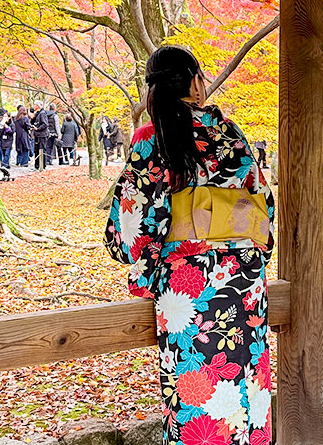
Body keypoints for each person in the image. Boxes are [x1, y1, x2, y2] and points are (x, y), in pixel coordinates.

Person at [104, 46, 275, 444]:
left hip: (189, 284)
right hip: (245, 279)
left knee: (199, 393)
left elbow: (132, 225)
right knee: (247, 386)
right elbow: (262, 203)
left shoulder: (154, 138)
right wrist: (251, 253)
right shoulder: (228, 133)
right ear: (196, 84)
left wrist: (140, 262)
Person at [0, 109, 14, 180]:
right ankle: (3, 167)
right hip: (1, 141)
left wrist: (7, 128)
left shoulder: (11, 124)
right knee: (1, 154)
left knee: (6, 154)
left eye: (6, 116)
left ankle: (5, 166)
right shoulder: (0, 124)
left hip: (8, 142)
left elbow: (11, 132)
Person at [31, 101, 50, 170]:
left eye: (35, 105)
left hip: (42, 135)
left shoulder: (42, 113)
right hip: (37, 135)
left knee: (42, 150)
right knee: (36, 150)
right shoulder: (37, 113)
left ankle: (43, 166)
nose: (34, 106)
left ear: (38, 106)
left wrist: (38, 128)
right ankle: (36, 166)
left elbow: (45, 124)